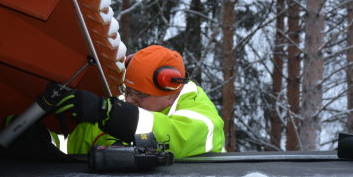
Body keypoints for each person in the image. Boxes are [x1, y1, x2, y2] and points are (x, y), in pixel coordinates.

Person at [52, 45, 225, 158]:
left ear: (172, 93)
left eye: (140, 95)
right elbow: (72, 143)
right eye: (127, 91)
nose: (128, 101)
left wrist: (111, 113)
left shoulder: (203, 118)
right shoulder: (115, 111)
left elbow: (177, 137)